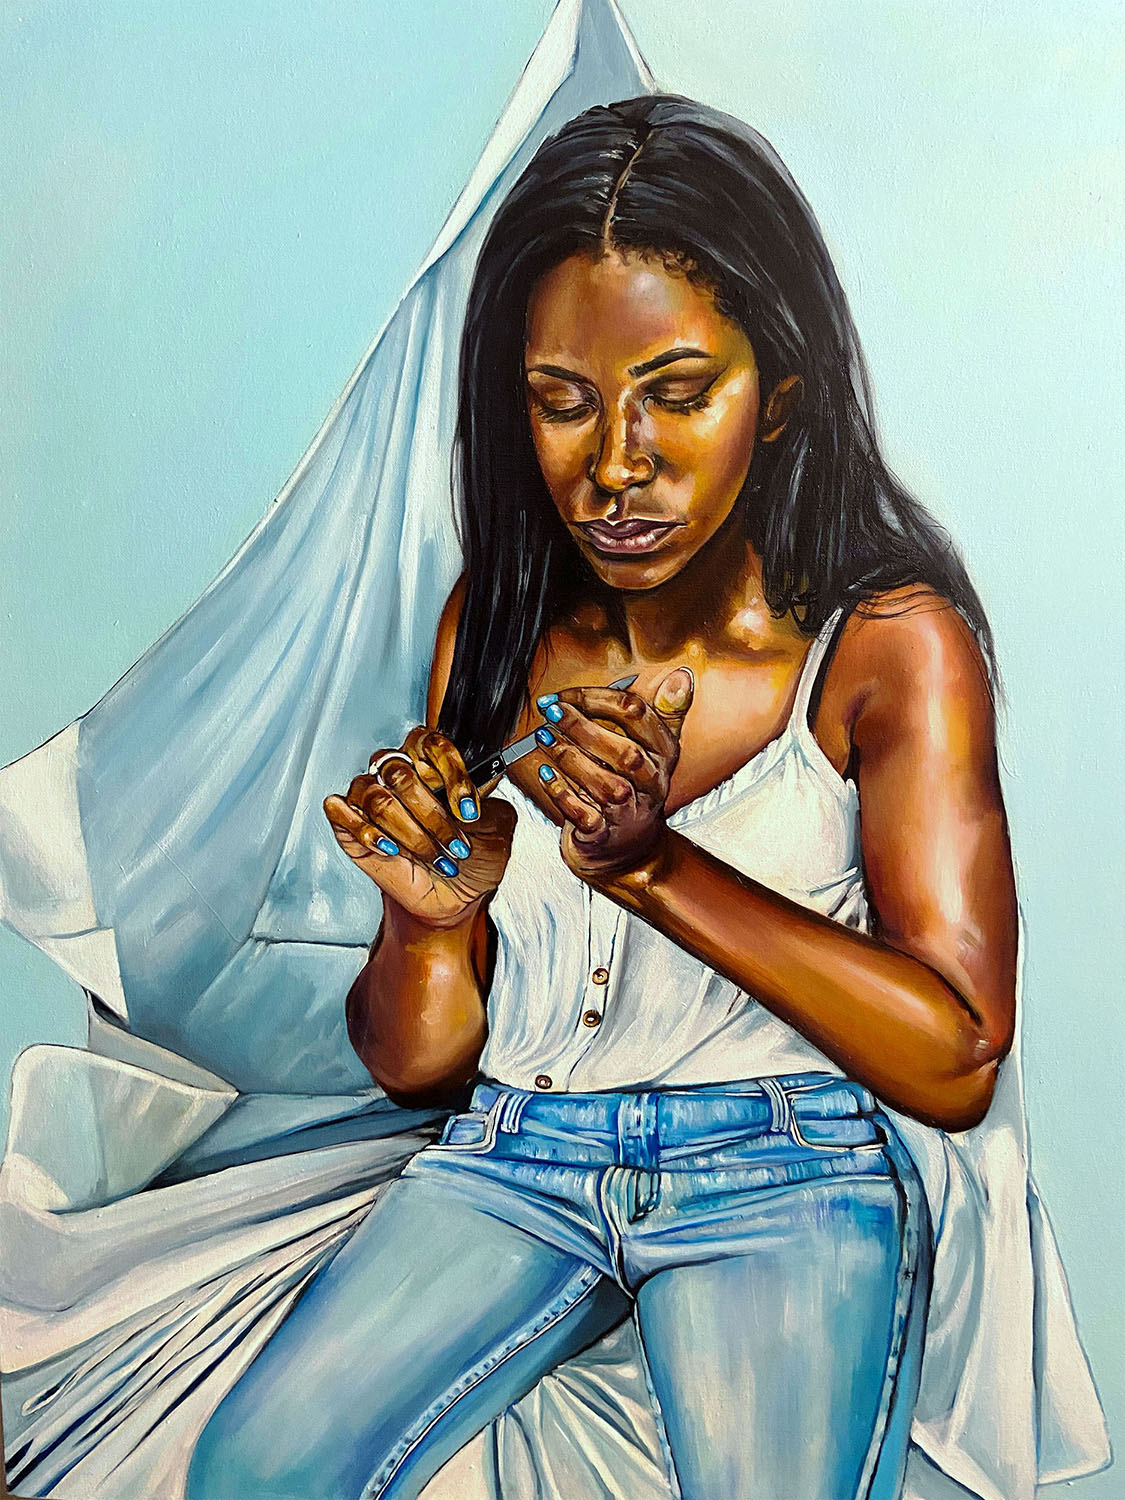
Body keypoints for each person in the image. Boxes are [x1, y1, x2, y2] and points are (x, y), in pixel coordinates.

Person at [187, 94, 1019, 1500]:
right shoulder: (497, 623)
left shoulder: (886, 646)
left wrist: (653, 870)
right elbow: (420, 1067)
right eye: (563, 402)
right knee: (252, 1476)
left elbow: (956, 1055)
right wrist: (427, 922)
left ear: (781, 394)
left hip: (785, 1171)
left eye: (677, 394)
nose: (614, 464)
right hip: (517, 1154)